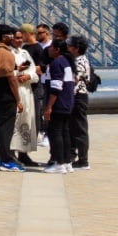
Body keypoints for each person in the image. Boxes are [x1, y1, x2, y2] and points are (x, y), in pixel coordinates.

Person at [0, 23, 25, 172]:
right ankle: (6, 160)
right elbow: (11, 78)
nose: (13, 38)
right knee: (6, 128)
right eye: (10, 35)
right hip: (5, 92)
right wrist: (18, 99)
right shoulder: (6, 53)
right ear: (4, 37)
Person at [41, 38, 76, 174]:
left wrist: (49, 106)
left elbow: (56, 87)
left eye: (51, 48)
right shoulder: (67, 62)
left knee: (55, 133)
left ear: (57, 49)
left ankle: (59, 163)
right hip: (67, 102)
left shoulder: (56, 63)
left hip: (58, 102)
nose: (48, 50)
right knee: (65, 132)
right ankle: (67, 162)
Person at [10, 29, 40, 167]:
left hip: (27, 90)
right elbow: (5, 72)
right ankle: (10, 153)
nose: (20, 40)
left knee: (26, 121)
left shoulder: (25, 53)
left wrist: (28, 76)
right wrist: (18, 74)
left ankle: (23, 153)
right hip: (15, 91)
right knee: (15, 123)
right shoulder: (8, 53)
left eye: (21, 38)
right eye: (17, 38)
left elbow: (34, 72)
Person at [68, 34, 92, 171]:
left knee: (80, 129)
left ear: (76, 49)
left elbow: (74, 82)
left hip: (78, 97)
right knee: (75, 128)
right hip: (78, 96)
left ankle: (83, 160)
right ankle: (75, 156)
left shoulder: (79, 62)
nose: (68, 47)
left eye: (70, 45)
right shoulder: (78, 59)